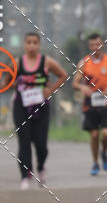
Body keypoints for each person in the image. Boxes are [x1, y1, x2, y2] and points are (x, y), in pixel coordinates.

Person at [13, 32, 67, 190]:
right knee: (24, 143)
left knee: (41, 144)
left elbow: (63, 76)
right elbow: (7, 82)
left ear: (39, 45)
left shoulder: (46, 62)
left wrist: (50, 90)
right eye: (28, 42)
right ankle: (25, 176)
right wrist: (14, 85)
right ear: (24, 44)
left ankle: (41, 167)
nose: (31, 45)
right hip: (21, 107)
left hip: (41, 108)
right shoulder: (17, 63)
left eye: (35, 42)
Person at [72, 33, 107, 176]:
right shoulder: (84, 62)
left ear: (102, 44)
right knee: (93, 135)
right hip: (90, 102)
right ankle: (95, 163)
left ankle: (104, 152)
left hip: (105, 101)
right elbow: (74, 82)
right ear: (89, 46)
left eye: (97, 44)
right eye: (92, 45)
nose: (95, 47)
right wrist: (82, 87)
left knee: (106, 134)